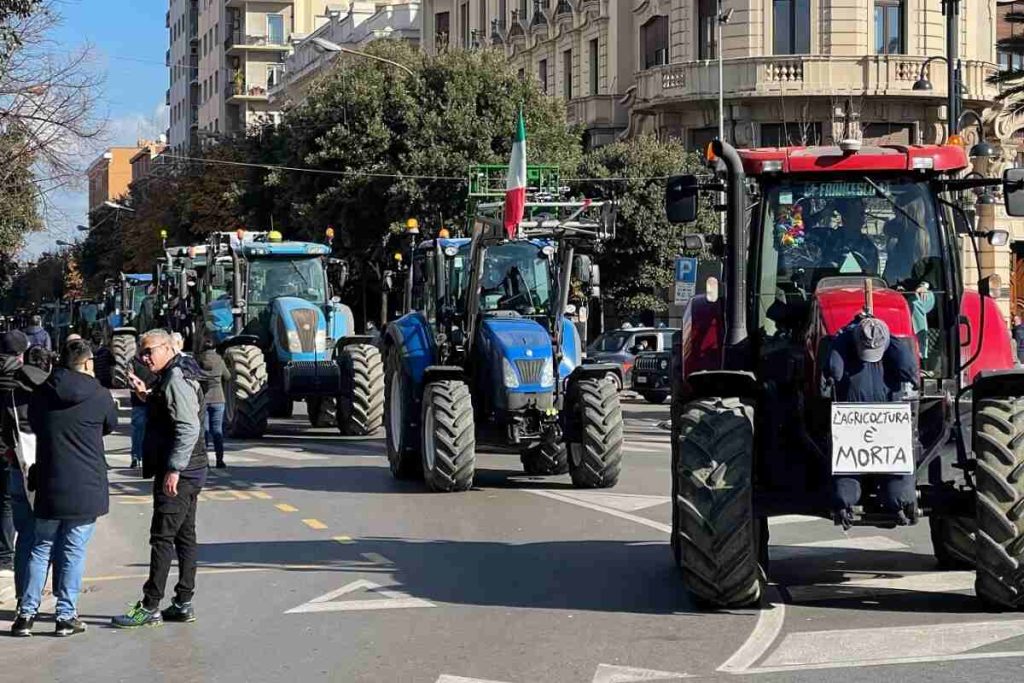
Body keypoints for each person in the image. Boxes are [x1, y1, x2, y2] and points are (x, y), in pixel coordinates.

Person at [11, 340, 118, 637]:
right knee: (73, 550)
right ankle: (65, 615)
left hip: (48, 479)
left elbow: (33, 422)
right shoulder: (98, 394)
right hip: (86, 483)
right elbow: (109, 424)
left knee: (40, 547)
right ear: (86, 364)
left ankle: (25, 614)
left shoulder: (42, 392)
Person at [112, 329, 207, 628]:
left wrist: (175, 469)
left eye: (149, 351)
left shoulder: (176, 378)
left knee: (162, 538)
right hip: (192, 467)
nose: (144, 357)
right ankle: (183, 602)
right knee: (184, 536)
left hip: (180, 470)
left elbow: (189, 427)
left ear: (167, 348)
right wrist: (146, 394)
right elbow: (171, 408)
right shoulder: (175, 372)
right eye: (142, 352)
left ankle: (149, 606)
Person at [824, 316, 918, 529]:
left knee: (897, 493)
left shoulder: (893, 346)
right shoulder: (844, 342)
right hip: (852, 428)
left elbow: (909, 371)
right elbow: (834, 371)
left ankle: (897, 502)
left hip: (888, 428)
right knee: (847, 489)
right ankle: (847, 501)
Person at [0, 330, 46, 597]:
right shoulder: (22, 378)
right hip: (12, 448)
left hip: (7, 442)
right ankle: (6, 554)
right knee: (10, 503)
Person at [819, 200, 879, 275]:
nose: (862, 219)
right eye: (858, 214)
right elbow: (802, 233)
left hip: (858, 285)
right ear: (845, 217)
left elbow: (872, 279)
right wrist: (822, 214)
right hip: (828, 284)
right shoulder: (827, 238)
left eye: (862, 214)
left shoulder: (869, 247)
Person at [197, 340, 229, 469]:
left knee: (204, 431)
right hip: (218, 399)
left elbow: (195, 377)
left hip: (204, 399)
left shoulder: (199, 361)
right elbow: (228, 376)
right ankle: (219, 460)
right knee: (217, 431)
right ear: (215, 349)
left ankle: (205, 461)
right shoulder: (219, 361)